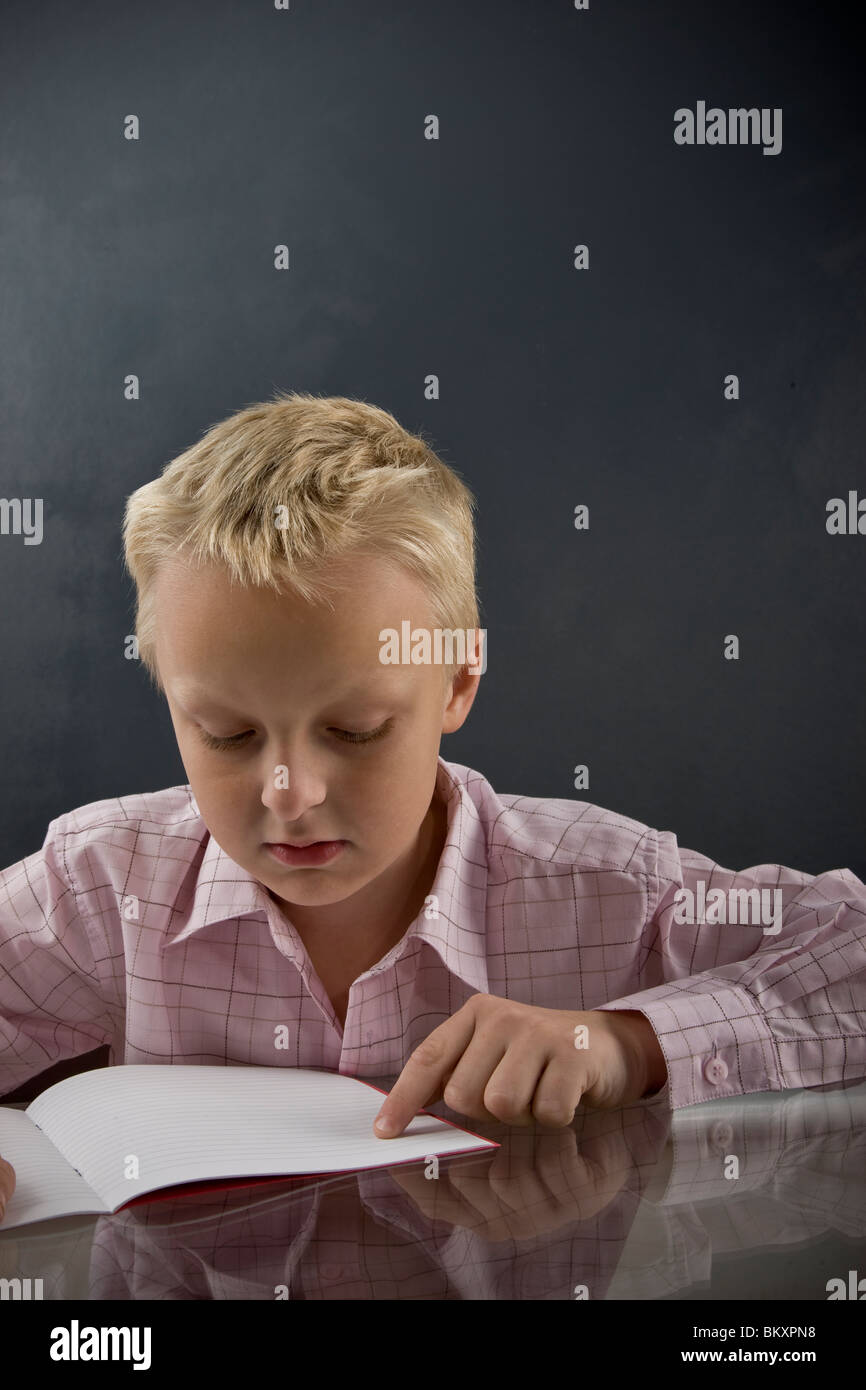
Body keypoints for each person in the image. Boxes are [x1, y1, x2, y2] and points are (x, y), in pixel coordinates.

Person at [2, 390, 865, 1224]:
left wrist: (627, 1045)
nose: (290, 793)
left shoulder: (603, 888)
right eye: (226, 735)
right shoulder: (102, 883)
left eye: (355, 729)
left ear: (456, 682)